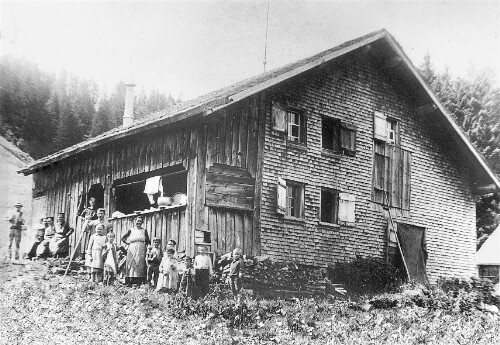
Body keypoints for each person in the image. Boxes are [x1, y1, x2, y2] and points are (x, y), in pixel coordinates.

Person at [121, 215, 150, 285]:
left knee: (140, 264)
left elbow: (147, 241)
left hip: (141, 248)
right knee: (132, 263)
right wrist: (127, 243)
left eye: (140, 221)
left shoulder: (144, 230)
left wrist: (148, 248)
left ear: (142, 222)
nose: (139, 223)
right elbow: (123, 238)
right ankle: (130, 280)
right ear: (135, 222)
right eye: (138, 221)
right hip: (132, 247)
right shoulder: (131, 230)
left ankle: (139, 281)